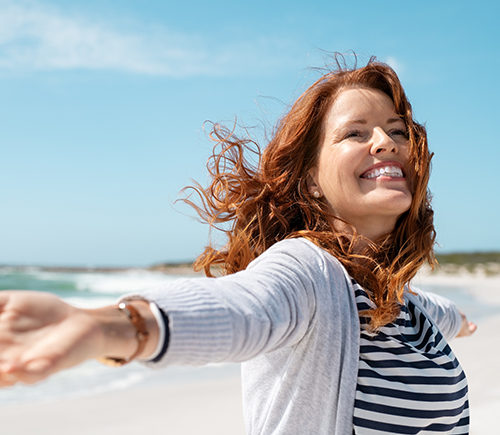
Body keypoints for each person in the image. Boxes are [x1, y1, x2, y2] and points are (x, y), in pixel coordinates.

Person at [0, 57, 476, 434]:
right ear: (311, 181)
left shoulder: (404, 304)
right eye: (355, 132)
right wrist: (115, 326)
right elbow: (243, 307)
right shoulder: (309, 274)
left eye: (396, 130)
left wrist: (460, 319)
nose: (385, 142)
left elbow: (433, 308)